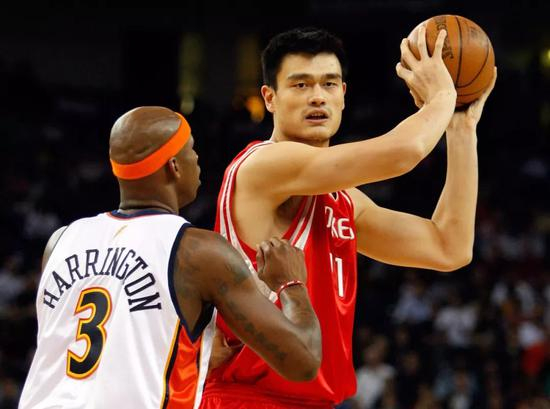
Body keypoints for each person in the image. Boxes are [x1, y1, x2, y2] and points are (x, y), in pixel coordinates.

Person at [200, 27, 496, 408]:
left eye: (329, 83)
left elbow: (448, 247)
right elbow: (403, 153)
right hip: (251, 398)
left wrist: (461, 129)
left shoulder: (343, 200)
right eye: (300, 85)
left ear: (343, 94)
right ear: (270, 98)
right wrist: (441, 96)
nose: (317, 96)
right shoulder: (261, 166)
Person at [19, 106, 322, 409]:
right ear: (174, 166)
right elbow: (303, 361)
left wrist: (198, 354)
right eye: (192, 149)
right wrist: (292, 284)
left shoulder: (60, 241)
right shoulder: (198, 252)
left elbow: (92, 345)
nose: (198, 159)